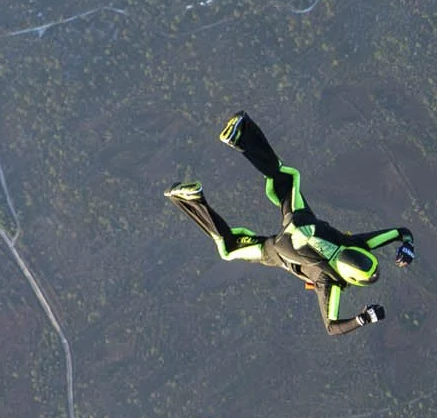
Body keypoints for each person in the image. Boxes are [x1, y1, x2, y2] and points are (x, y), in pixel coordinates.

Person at [164, 112, 411, 336]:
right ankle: (194, 199)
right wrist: (362, 319)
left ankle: (242, 134)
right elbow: (332, 328)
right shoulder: (330, 283)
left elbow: (401, 232)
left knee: (285, 178)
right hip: (279, 250)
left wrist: (408, 246)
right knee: (229, 249)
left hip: (300, 222)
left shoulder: (358, 243)